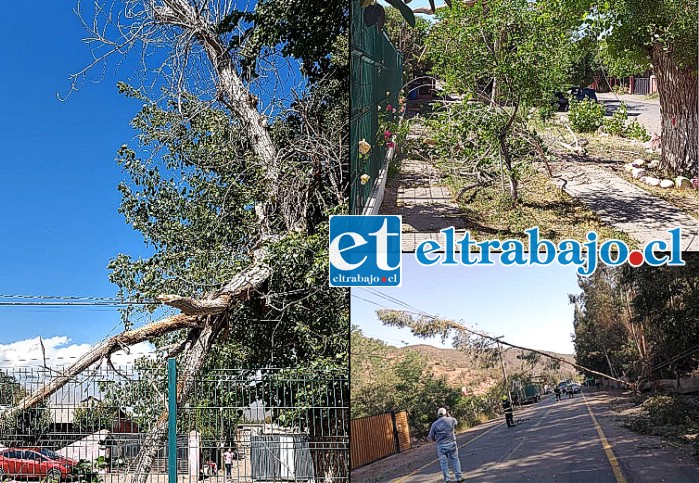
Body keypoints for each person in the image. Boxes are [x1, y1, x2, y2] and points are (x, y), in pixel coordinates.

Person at [428, 407, 463, 483]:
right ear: (446, 413)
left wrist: (436, 440)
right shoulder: (451, 420)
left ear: (438, 415)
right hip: (451, 443)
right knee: (455, 460)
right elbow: (456, 423)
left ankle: (447, 479)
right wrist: (449, 416)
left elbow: (431, 436)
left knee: (444, 463)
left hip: (441, 445)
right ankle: (459, 477)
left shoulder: (434, 424)